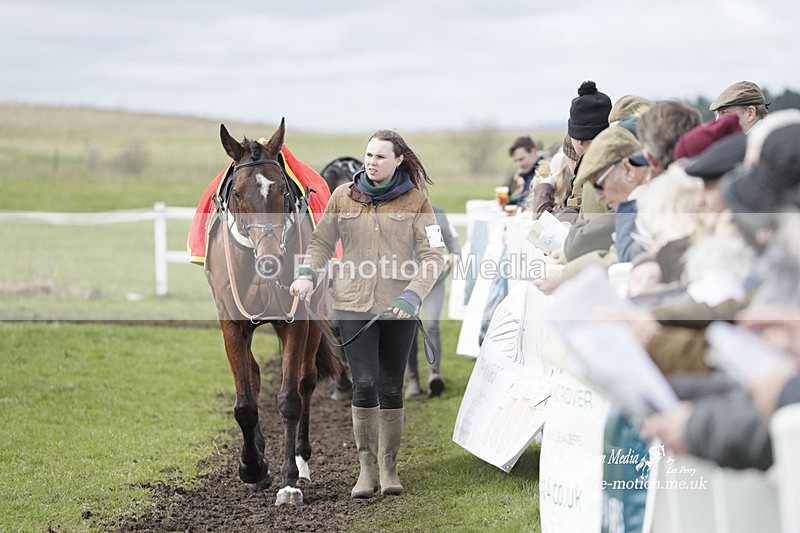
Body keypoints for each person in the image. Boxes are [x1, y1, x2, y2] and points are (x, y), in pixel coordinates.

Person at [289, 130, 444, 499]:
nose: (372, 162)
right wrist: (307, 273)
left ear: (398, 160)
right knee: (364, 384)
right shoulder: (343, 196)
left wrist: (412, 295)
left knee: (391, 387)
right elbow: (321, 242)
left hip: (398, 308)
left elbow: (434, 255)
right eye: (369, 155)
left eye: (380, 156)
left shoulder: (417, 200)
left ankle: (389, 469)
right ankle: (366, 470)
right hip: (352, 305)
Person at [404, 205, 462, 399]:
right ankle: (413, 378)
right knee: (408, 328)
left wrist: (455, 253)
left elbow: (451, 237)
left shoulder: (437, 213)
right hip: (406, 282)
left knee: (432, 325)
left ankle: (433, 374)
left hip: (433, 280)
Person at [506, 135, 543, 206]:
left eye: (521, 159)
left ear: (533, 152)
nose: (518, 165)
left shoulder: (543, 173)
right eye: (515, 161)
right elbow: (524, 199)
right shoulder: (525, 172)